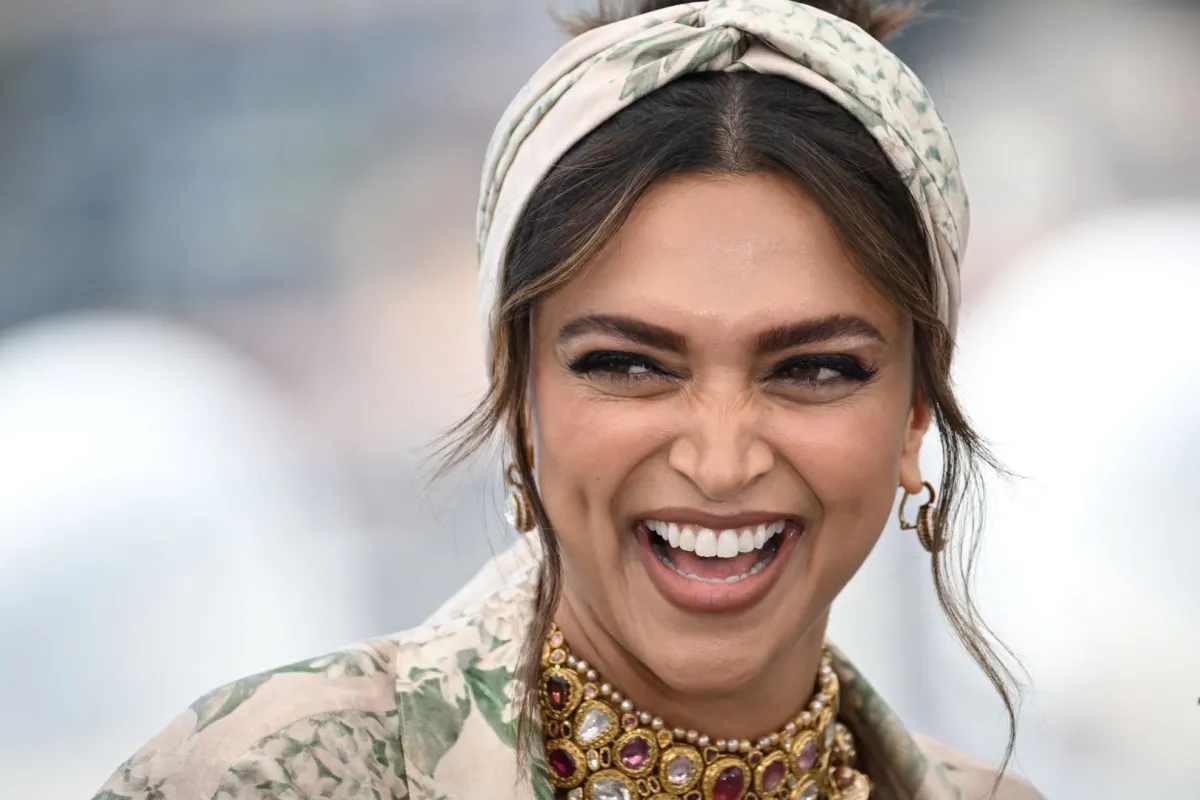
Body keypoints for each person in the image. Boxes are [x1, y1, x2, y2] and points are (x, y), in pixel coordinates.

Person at [91, 2, 1043, 798]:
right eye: (628, 365)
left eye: (815, 368)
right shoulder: (266, 776)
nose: (720, 461)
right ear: (517, 396)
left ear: (917, 412)